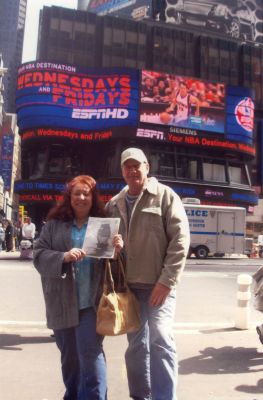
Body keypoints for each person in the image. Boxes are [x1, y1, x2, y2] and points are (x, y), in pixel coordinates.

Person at [105, 148, 190, 400]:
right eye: (127, 167)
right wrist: (114, 248)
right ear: (122, 171)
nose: (132, 171)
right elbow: (106, 247)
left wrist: (166, 281)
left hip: (158, 287)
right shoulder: (114, 204)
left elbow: (180, 241)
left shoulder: (165, 197)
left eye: (137, 166)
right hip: (129, 288)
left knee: (161, 340)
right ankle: (141, 395)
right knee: (136, 346)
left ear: (147, 167)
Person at [33, 175, 123, 400]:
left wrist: (118, 250)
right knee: (70, 359)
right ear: (69, 197)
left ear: (93, 198)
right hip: (62, 302)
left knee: (91, 357)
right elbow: (38, 255)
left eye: (87, 193)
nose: (82, 197)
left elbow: (113, 265)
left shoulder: (103, 224)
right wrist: (63, 256)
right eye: (77, 193)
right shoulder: (54, 225)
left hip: (92, 303)